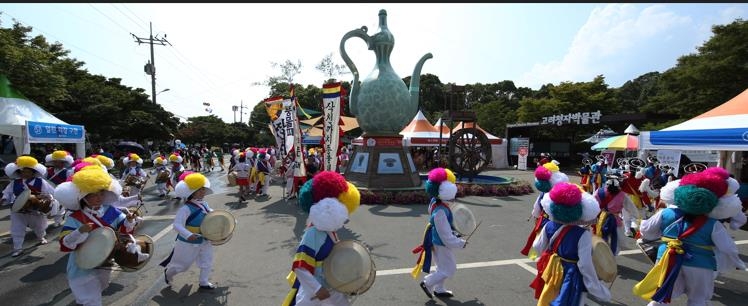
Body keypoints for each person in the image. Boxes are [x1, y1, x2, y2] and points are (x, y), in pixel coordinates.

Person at [634, 167, 746, 305]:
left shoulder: (666, 213)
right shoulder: (712, 224)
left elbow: (647, 231)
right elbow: (728, 247)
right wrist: (736, 262)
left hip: (667, 259)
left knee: (661, 295)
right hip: (700, 263)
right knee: (697, 299)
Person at [55, 167, 146, 306]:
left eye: (100, 193)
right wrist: (79, 231)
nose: (98, 197)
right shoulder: (75, 217)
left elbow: (124, 231)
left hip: (106, 261)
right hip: (82, 265)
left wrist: (129, 220)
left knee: (100, 287)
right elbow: (64, 243)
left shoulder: (111, 211)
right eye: (92, 194)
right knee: (91, 299)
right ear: (83, 197)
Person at [282, 171, 361, 306]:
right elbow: (300, 267)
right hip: (315, 293)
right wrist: (317, 289)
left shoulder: (331, 231)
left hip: (332, 288)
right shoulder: (312, 233)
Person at [529, 182, 611, 305]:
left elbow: (537, 247)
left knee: (549, 295)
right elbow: (585, 265)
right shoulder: (583, 234)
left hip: (552, 269)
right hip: (571, 274)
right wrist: (598, 289)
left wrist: (544, 261)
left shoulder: (548, 226)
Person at [412, 167, 466, 299]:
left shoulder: (435, 202)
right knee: (449, 268)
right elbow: (446, 236)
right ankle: (427, 282)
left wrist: (454, 235)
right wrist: (460, 243)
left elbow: (445, 230)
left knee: (441, 266)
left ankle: (439, 288)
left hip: (435, 238)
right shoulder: (441, 212)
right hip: (440, 242)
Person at [160, 172, 218, 290]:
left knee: (207, 261)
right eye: (200, 190)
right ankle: (168, 272)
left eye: (203, 189)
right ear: (191, 193)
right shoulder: (185, 208)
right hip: (188, 242)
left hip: (205, 239)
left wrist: (221, 218)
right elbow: (176, 225)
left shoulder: (204, 204)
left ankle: (204, 282)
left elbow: (210, 213)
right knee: (182, 266)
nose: (203, 191)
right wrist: (188, 235)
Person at [1, 156, 57, 257]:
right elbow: (7, 193)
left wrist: (44, 198)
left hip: (35, 209)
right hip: (18, 210)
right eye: (23, 171)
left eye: (28, 171)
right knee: (17, 228)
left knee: (39, 227)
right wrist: (4, 199)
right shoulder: (14, 183)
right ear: (19, 172)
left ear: (32, 172)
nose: (25, 173)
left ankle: (41, 238)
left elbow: (51, 193)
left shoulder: (40, 181)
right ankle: (17, 248)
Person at [521, 162, 569, 258]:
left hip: (546, 222)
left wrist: (536, 217)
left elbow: (537, 209)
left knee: (540, 242)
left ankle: (538, 258)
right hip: (562, 223)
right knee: (557, 243)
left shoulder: (544, 193)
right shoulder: (564, 193)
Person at [591, 174, 637, 255]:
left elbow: (592, 204)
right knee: (616, 239)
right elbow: (631, 208)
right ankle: (612, 255)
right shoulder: (623, 195)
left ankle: (599, 255)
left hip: (600, 218)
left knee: (599, 236)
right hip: (615, 219)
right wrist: (635, 217)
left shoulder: (599, 191)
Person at [45, 150, 74, 226]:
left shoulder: (67, 172)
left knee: (60, 206)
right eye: (55, 161)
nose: (56, 163)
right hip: (49, 191)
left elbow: (68, 182)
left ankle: (58, 220)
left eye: (58, 162)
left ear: (63, 162)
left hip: (61, 191)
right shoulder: (48, 171)